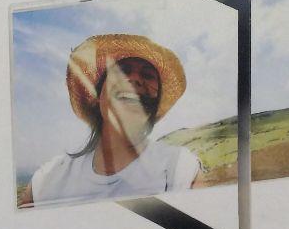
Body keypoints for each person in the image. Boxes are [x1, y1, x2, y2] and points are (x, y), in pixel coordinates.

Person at [19, 33, 206, 208]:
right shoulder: (48, 181)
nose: (135, 79)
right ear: (97, 96)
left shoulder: (179, 170)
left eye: (148, 75)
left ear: (154, 104)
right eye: (122, 70)